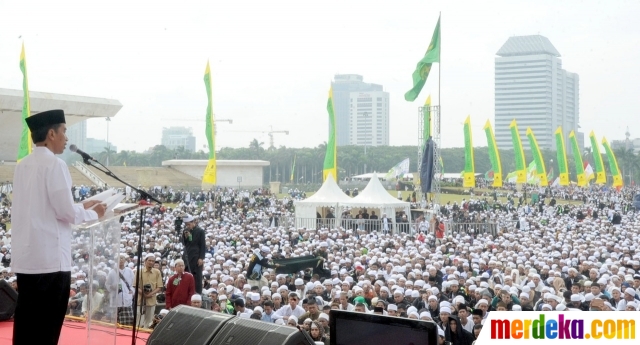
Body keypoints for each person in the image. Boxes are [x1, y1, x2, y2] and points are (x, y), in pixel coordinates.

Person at [11, 109, 107, 345]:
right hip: (51, 263)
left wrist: (82, 204)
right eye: (64, 131)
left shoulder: (22, 165)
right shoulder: (55, 165)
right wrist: (92, 212)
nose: (66, 138)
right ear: (51, 133)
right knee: (46, 329)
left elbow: (44, 206)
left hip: (28, 260)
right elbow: (64, 212)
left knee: (26, 326)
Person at [134, 253, 163, 328]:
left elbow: (159, 287)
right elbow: (135, 285)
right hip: (140, 301)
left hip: (151, 300)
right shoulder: (139, 271)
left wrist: (150, 294)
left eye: (153, 261)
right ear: (145, 261)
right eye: (149, 260)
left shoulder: (157, 272)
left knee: (149, 323)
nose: (151, 262)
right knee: (138, 322)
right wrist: (144, 294)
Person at [106, 254, 134, 325]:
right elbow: (107, 284)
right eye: (119, 258)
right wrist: (112, 287)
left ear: (125, 260)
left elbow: (133, 284)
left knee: (127, 323)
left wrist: (131, 293)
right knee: (115, 323)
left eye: (122, 258)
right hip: (116, 299)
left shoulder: (129, 271)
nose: (121, 260)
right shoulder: (112, 272)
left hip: (126, 300)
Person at [182, 214, 206, 294]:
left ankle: (197, 293)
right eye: (186, 225)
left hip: (196, 256)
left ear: (193, 222)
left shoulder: (200, 231)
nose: (188, 226)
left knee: (196, 276)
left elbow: (203, 245)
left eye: (189, 224)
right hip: (187, 255)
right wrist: (186, 237)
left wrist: (201, 258)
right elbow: (184, 243)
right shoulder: (185, 231)